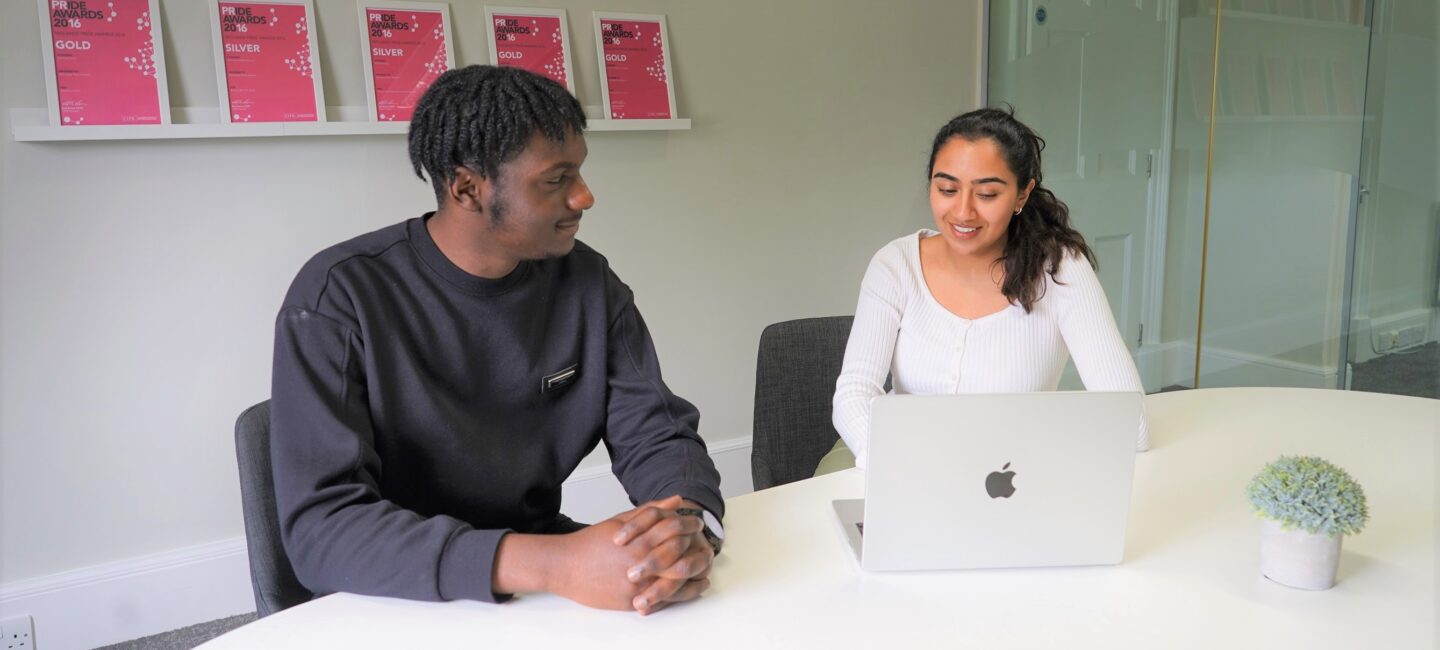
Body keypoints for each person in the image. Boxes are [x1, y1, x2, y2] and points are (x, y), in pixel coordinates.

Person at [270, 65, 723, 616]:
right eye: (556, 180)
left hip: (536, 570)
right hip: (392, 589)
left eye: (579, 173)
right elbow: (324, 530)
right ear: (467, 187)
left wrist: (685, 524)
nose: (584, 197)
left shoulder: (587, 281)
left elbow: (657, 432)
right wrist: (556, 564)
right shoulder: (338, 296)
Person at [823, 107, 1149, 473]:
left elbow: (1131, 425)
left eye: (988, 194)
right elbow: (854, 393)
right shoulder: (895, 265)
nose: (963, 212)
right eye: (947, 188)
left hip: (1006, 475)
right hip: (896, 459)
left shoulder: (1060, 269)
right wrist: (904, 467)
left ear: (1022, 195)